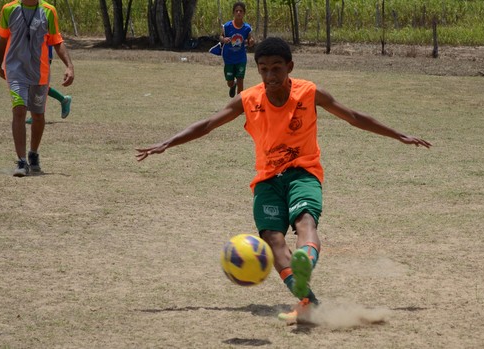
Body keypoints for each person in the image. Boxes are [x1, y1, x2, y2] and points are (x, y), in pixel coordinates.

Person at [135, 37, 432, 324]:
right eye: (263, 68)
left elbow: (353, 116)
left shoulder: (310, 93)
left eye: (276, 67)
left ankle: (304, 258)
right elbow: (209, 124)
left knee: (305, 222)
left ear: (290, 66)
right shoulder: (249, 99)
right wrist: (167, 142)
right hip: (267, 181)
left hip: (303, 173)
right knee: (273, 240)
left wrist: (398, 134)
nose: (269, 74)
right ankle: (308, 303)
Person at [0, 0, 75, 177]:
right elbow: (3, 37)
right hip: (15, 70)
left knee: (38, 115)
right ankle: (22, 160)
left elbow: (57, 41)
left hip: (39, 72)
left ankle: (33, 153)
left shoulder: (48, 11)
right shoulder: (9, 9)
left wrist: (69, 66)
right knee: (19, 110)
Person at [26, 46, 72, 124]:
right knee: (33, 84)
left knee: (38, 85)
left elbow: (56, 40)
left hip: (42, 55)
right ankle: (63, 99)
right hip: (30, 55)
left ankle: (36, 114)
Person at [219, 2, 254, 98]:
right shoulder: (227, 26)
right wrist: (224, 39)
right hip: (229, 58)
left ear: (244, 13)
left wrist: (251, 41)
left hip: (241, 58)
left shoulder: (247, 28)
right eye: (236, 11)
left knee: (240, 81)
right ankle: (233, 85)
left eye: (241, 11)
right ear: (233, 13)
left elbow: (250, 40)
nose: (239, 13)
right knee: (229, 82)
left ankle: (239, 104)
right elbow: (221, 36)